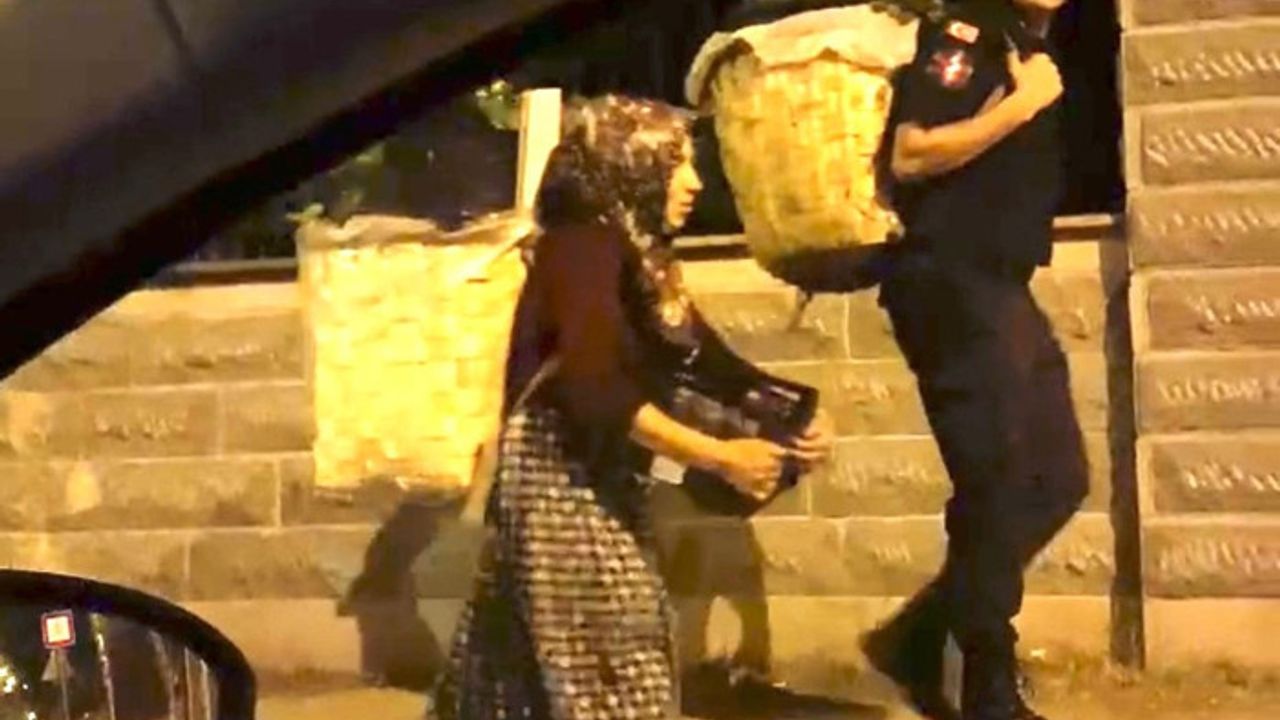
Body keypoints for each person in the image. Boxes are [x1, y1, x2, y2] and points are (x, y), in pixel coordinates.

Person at [430, 94, 834, 720]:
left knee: (509, 671)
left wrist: (798, 415)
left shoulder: (638, 256)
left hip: (593, 469)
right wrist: (719, 456)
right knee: (617, 649)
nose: (694, 182)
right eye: (676, 163)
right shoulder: (583, 245)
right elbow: (593, 385)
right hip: (558, 477)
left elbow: (705, 361)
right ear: (630, 164)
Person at [860, 2, 1088, 720]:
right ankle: (987, 684)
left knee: (1056, 477)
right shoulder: (966, 32)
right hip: (950, 278)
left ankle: (917, 637)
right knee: (996, 476)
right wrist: (1023, 104)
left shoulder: (1022, 44)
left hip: (998, 284)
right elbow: (911, 152)